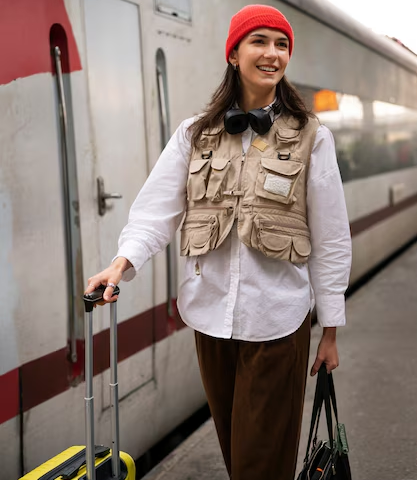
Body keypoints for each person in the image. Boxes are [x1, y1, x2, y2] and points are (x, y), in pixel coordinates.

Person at [85, 4, 352, 479]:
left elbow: (331, 238)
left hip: (278, 320)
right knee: (238, 457)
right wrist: (121, 263)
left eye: (282, 44)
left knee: (260, 465)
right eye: (260, 41)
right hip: (209, 319)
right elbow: (156, 211)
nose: (273, 53)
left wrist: (329, 329)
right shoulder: (195, 133)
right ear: (234, 53)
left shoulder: (313, 137)